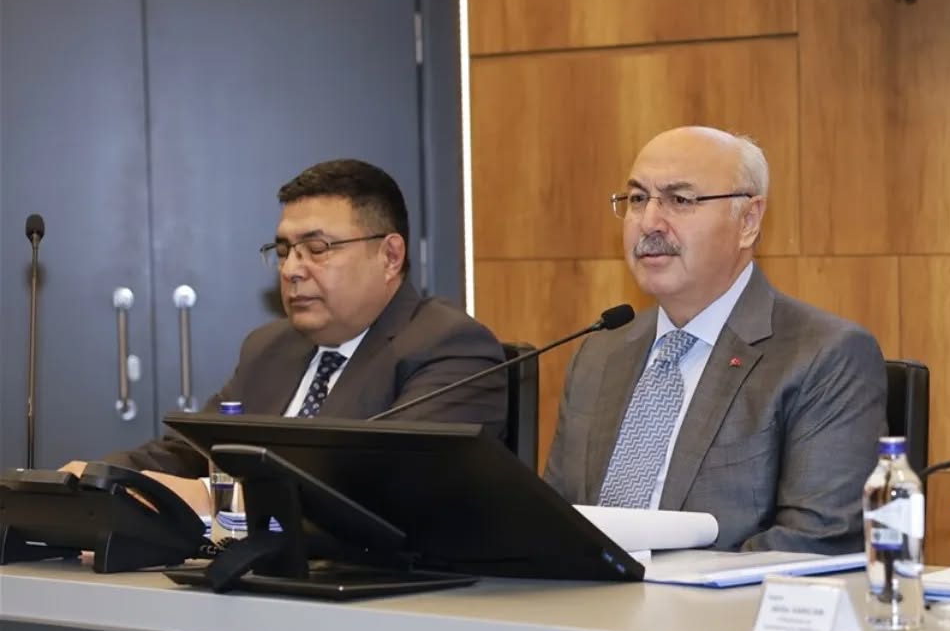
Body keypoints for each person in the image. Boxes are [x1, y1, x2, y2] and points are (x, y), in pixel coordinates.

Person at [67, 158, 507, 513]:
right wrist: (99, 478)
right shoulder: (269, 348)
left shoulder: (450, 348)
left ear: (390, 256)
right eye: (283, 251)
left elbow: (389, 492)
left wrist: (214, 499)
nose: (292, 269)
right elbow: (191, 451)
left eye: (317, 249)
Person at [544, 126, 887, 553]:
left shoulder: (824, 355)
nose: (649, 222)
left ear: (748, 221)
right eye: (637, 199)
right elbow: (551, 518)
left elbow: (816, 541)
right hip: (584, 596)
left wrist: (660, 585)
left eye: (680, 200)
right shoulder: (600, 353)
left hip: (719, 598)